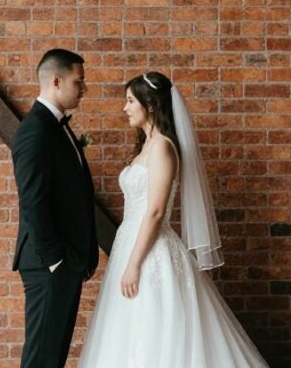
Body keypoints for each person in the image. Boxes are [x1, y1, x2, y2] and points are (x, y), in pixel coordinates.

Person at [78, 71, 268, 367]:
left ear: (150, 105)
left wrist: (134, 263)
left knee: (156, 328)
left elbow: (155, 211)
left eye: (130, 101)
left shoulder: (163, 147)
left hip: (150, 252)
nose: (124, 108)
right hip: (130, 244)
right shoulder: (146, 147)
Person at [11, 48, 99, 367]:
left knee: (53, 358)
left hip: (65, 262)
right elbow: (33, 201)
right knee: (41, 360)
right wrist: (55, 261)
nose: (84, 89)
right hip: (48, 264)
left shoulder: (56, 128)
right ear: (57, 81)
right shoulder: (35, 131)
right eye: (79, 81)